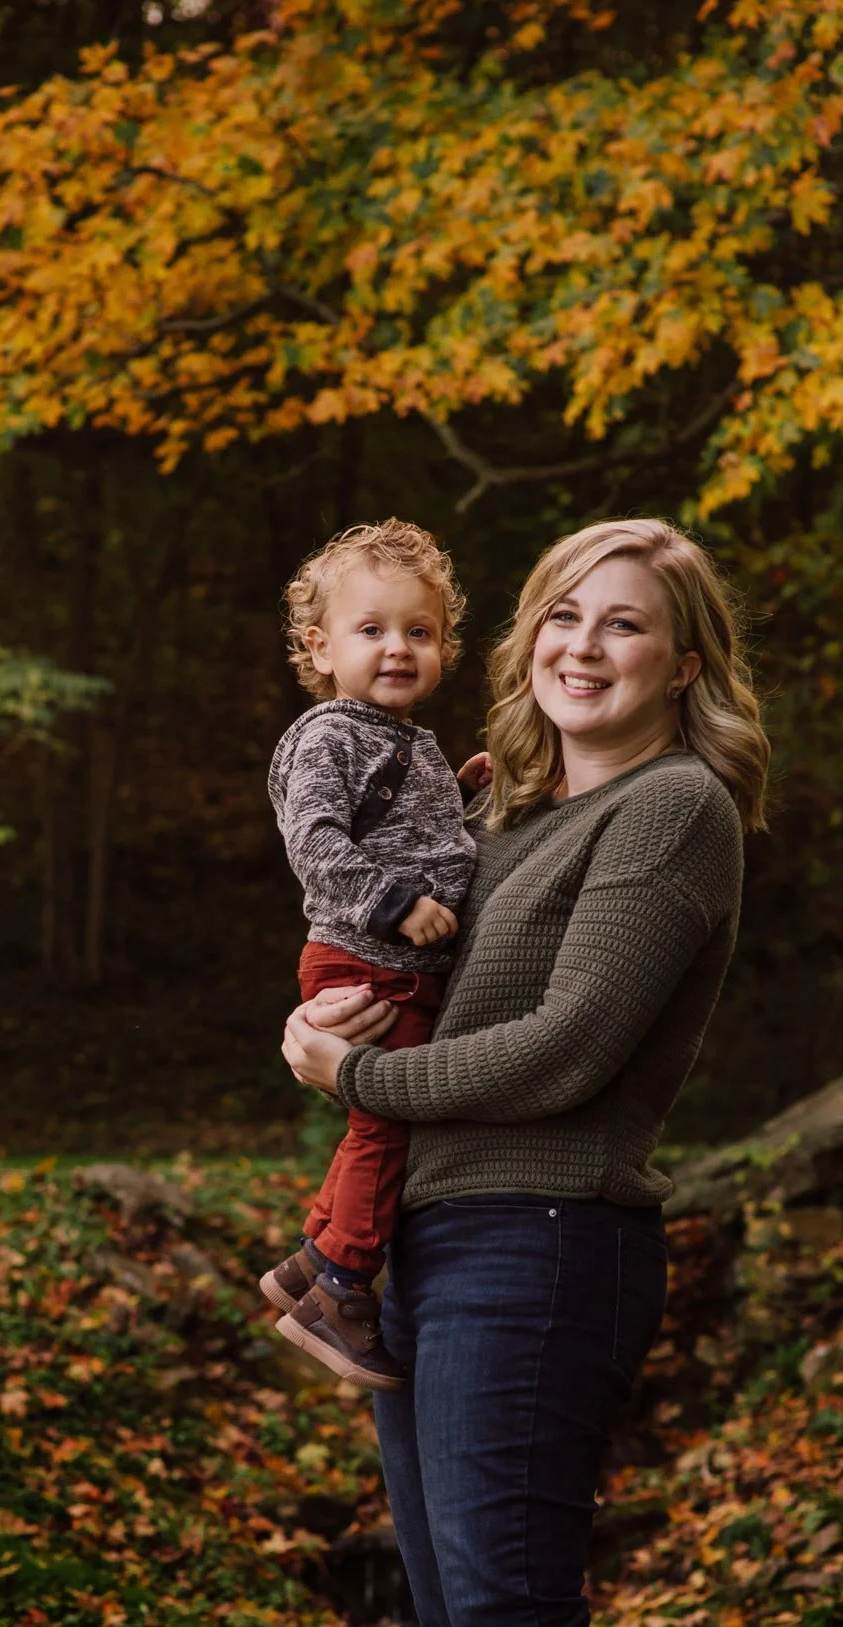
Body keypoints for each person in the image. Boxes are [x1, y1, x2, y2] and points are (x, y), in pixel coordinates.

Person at [281, 517, 770, 1627]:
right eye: (562, 615)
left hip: (546, 1233)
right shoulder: (506, 815)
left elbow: (565, 1051)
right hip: (434, 1234)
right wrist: (344, 1008)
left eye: (623, 625)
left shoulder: (677, 808)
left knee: (519, 1615)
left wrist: (357, 1071)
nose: (581, 644)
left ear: (683, 662)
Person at [260, 519, 489, 1390]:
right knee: (389, 1121)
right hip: (365, 958)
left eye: (419, 632)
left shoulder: (406, 740)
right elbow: (315, 841)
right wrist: (393, 906)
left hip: (389, 958)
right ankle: (342, 1285)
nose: (399, 648)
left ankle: (307, 1262)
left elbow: (407, 836)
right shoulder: (330, 736)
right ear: (321, 648)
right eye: (373, 630)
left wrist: (457, 802)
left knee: (380, 1121)